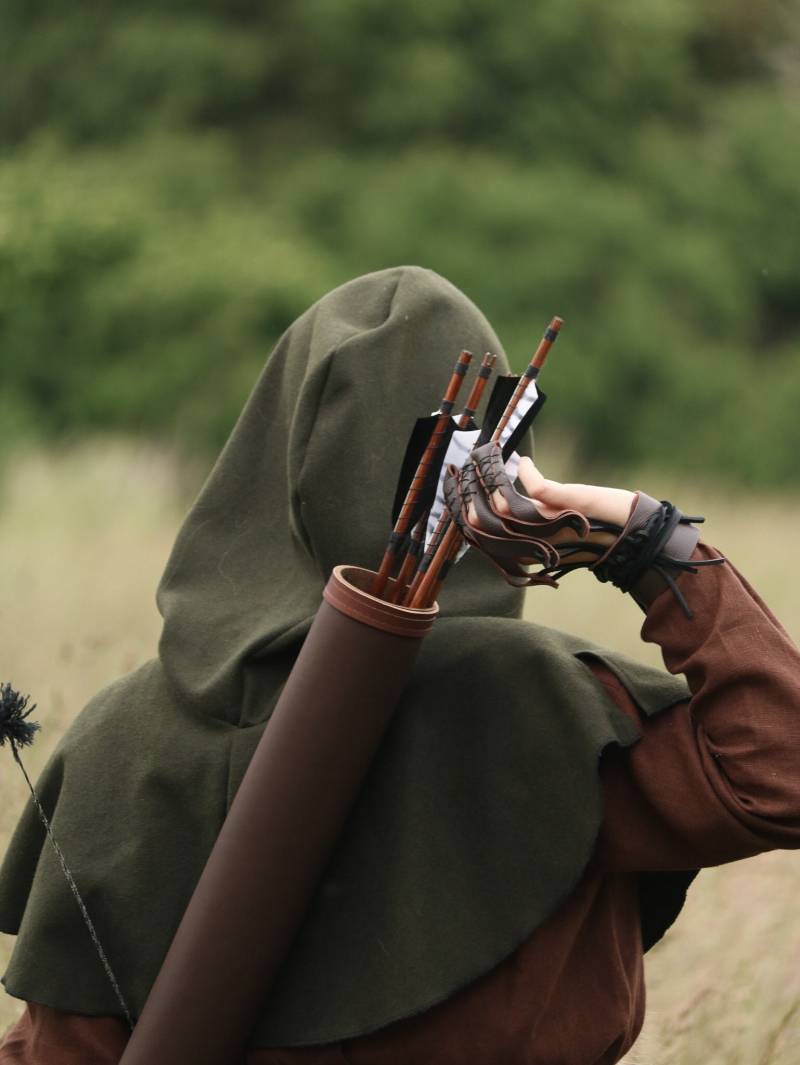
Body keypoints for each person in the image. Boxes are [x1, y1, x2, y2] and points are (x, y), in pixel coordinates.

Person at [0, 266, 798, 1065]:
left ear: (280, 446)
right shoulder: (557, 706)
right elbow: (782, 770)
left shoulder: (119, 741)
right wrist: (643, 538)